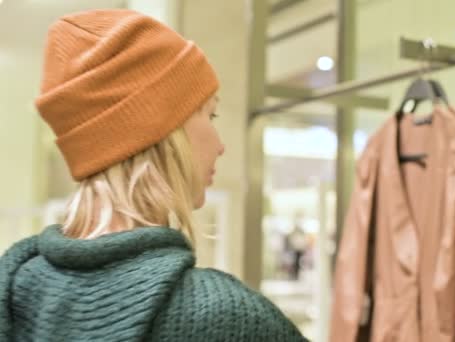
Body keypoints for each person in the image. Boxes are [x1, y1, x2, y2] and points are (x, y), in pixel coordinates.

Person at [0, 9, 306, 341]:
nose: (220, 145)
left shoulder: (17, 289)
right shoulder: (226, 317)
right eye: (210, 114)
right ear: (162, 132)